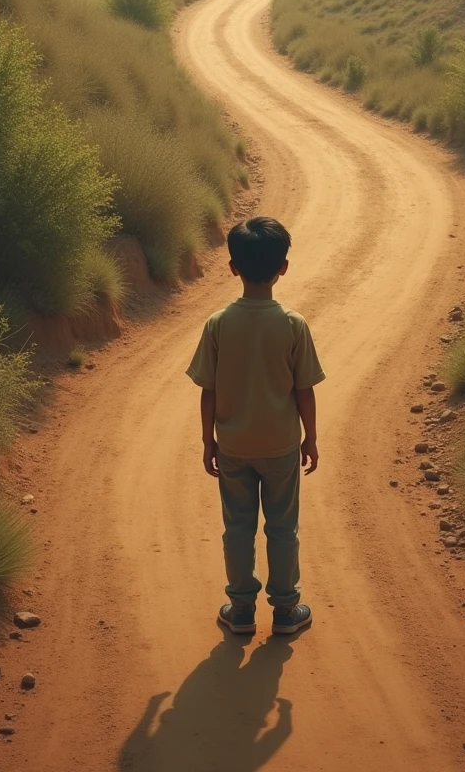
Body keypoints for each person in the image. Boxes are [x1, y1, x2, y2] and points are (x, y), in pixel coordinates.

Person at [186, 217, 325, 635]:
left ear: (232, 267)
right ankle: (285, 612)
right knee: (283, 528)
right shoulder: (293, 325)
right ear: (284, 267)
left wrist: (208, 440)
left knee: (238, 527)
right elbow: (304, 391)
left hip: (233, 446)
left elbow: (207, 390)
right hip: (281, 446)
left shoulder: (218, 324)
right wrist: (311, 438)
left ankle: (241, 610)